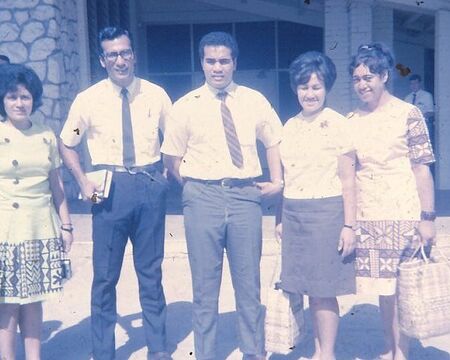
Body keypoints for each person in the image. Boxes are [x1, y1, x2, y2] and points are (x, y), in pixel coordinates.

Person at [161, 31, 283, 360]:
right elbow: (172, 158)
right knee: (204, 287)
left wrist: (278, 179)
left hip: (245, 195)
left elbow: (273, 140)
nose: (218, 67)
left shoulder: (254, 100)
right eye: (211, 61)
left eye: (224, 61)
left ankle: (253, 353)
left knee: (248, 285)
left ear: (234, 63)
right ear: (202, 63)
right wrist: (195, 186)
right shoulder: (185, 106)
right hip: (202, 196)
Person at [58, 27, 172, 360]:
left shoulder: (155, 95)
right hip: (108, 189)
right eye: (112, 55)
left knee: (151, 273)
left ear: (133, 54)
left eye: (125, 53)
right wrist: (82, 181)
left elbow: (176, 136)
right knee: (105, 277)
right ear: (102, 60)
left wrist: (167, 171)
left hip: (149, 185)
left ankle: (159, 348)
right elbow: (68, 142)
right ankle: (104, 351)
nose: (120, 60)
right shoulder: (88, 100)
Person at [349, 43, 435, 360]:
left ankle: (403, 351)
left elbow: (422, 168)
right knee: (384, 290)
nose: (362, 84)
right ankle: (390, 347)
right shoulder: (351, 120)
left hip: (403, 211)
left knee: (404, 289)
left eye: (368, 77)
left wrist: (427, 218)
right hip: (369, 214)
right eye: (357, 78)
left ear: (384, 75)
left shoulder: (408, 114)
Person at [277, 51, 356, 360]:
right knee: (304, 287)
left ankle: (328, 354)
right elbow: (288, 177)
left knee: (324, 290)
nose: (309, 94)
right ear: (295, 88)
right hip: (294, 212)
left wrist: (349, 226)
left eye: (316, 87)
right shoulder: (289, 126)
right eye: (303, 87)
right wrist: (280, 219)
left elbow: (349, 180)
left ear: (327, 88)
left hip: (327, 213)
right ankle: (317, 350)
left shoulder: (338, 124)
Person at [0, 64, 73, 359]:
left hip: (40, 225)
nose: (19, 103)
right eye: (12, 96)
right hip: (6, 227)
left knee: (33, 299)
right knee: (7, 301)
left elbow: (57, 185)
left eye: (26, 97)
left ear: (34, 100)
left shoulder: (46, 135)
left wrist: (66, 226)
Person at [404, 74, 435, 144]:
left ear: (419, 83)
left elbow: (431, 112)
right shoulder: (407, 98)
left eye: (415, 83)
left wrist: (419, 117)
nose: (413, 85)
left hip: (423, 125)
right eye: (411, 84)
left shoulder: (427, 96)